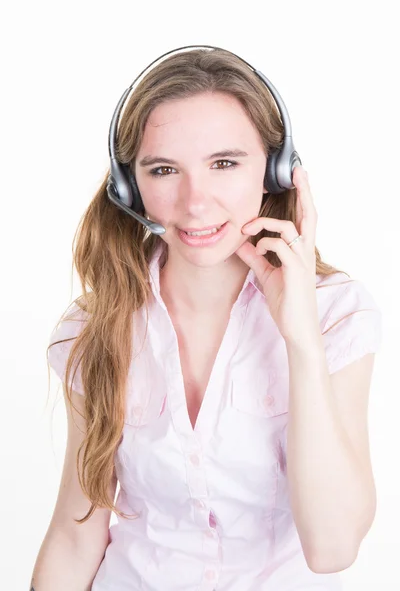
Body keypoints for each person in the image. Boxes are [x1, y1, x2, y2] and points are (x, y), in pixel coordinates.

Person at [31, 47, 382, 590]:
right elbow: (76, 535)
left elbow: (332, 548)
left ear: (275, 170)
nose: (195, 203)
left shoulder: (337, 316)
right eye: (164, 169)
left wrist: (301, 339)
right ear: (129, 188)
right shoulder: (93, 328)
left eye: (224, 163)